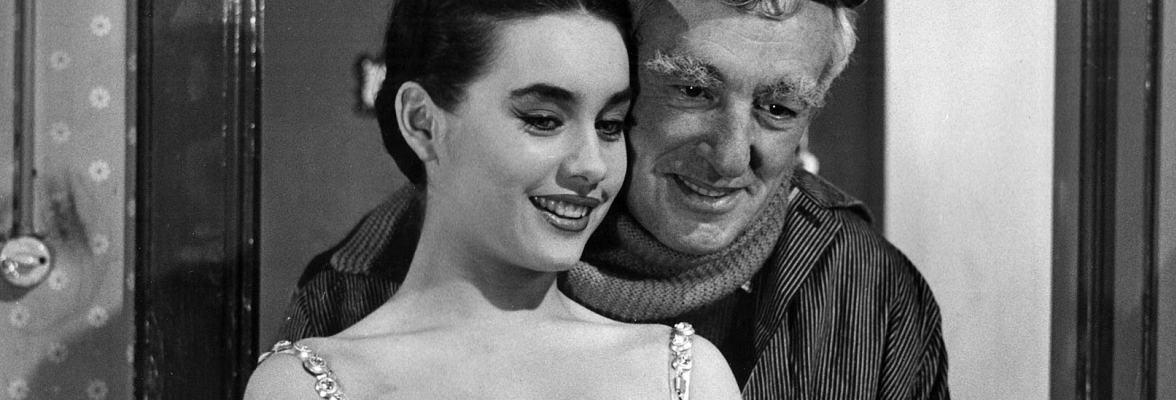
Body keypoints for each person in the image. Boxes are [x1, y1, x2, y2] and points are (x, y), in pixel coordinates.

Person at [278, 0, 950, 398]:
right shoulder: (360, 283)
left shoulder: (871, 294)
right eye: (693, 90)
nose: (729, 156)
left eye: (779, 108)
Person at [247, 1, 743, 398]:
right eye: (544, 120)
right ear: (423, 123)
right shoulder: (306, 385)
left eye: (609, 125)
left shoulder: (683, 377)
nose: (592, 165)